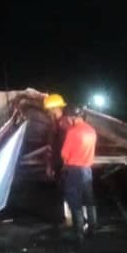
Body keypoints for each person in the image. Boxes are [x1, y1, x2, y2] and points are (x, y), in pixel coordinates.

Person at [60, 106, 98, 245]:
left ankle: (78, 235)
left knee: (74, 202)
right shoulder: (92, 131)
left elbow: (64, 153)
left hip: (74, 171)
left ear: (72, 117)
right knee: (89, 200)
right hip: (87, 170)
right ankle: (93, 229)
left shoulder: (73, 131)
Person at [43, 93, 74, 226]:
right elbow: (52, 146)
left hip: (66, 164)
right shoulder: (56, 123)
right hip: (59, 163)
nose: (48, 112)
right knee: (63, 191)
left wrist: (65, 164)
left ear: (55, 108)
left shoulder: (65, 124)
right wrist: (50, 165)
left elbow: (68, 146)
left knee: (69, 191)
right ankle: (68, 218)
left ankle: (73, 220)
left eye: (49, 110)